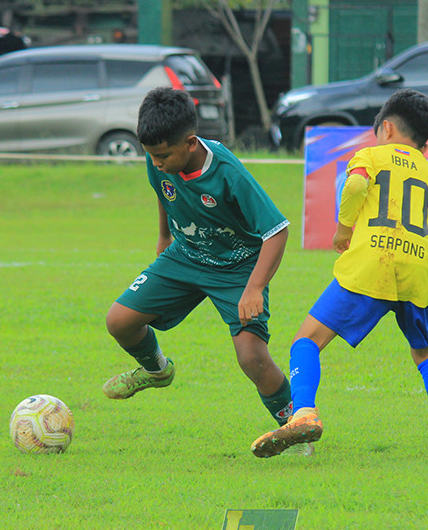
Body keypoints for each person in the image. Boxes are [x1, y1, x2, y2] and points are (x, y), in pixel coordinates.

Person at [250, 88, 428, 459]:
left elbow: (355, 185)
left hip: (372, 264)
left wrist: (343, 229)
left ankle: (303, 413)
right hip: (418, 273)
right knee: (426, 351)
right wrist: (424, 267)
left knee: (307, 340)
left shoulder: (370, 155)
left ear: (387, 128)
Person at [103, 87, 305, 451]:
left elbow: (277, 232)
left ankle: (295, 427)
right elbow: (164, 191)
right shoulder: (159, 157)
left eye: (163, 155)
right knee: (119, 321)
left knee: (252, 358)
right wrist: (164, 236)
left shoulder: (227, 172)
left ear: (191, 143)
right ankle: (157, 370)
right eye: (151, 155)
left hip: (237, 268)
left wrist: (254, 288)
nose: (156, 162)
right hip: (186, 254)